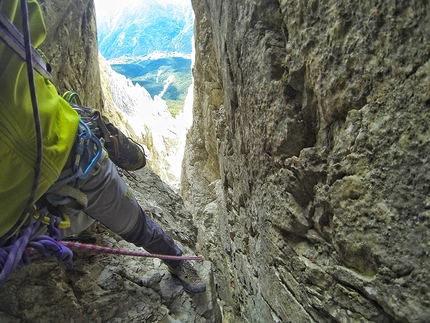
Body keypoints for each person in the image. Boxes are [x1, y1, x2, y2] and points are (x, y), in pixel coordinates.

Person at [0, 0, 205, 293]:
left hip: (72, 159)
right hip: (22, 201)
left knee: (135, 223)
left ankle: (175, 259)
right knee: (115, 218)